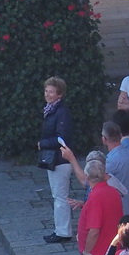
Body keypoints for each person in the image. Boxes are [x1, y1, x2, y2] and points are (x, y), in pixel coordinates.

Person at [39, 76, 75, 243]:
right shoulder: (51, 109)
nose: (47, 94)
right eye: (46, 91)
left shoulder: (60, 112)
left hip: (60, 160)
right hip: (55, 159)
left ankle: (63, 232)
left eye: (51, 91)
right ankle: (60, 229)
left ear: (59, 94)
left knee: (60, 196)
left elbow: (62, 138)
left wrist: (42, 144)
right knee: (58, 195)